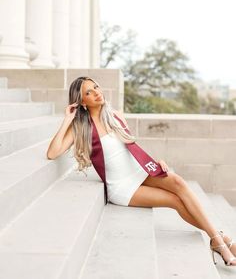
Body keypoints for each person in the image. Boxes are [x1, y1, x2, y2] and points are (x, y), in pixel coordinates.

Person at [46, 76, 236, 266]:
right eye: (89, 92)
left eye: (96, 87)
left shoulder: (116, 116)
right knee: (175, 200)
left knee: (177, 182)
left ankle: (218, 240)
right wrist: (67, 119)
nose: (97, 93)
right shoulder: (81, 127)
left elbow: (130, 147)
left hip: (138, 170)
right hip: (122, 186)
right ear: (81, 102)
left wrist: (154, 161)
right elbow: (53, 152)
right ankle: (221, 241)